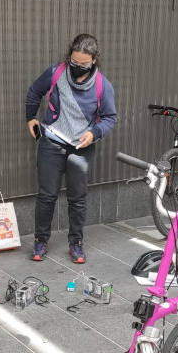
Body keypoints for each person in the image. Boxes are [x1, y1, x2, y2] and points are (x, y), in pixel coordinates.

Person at [25, 33, 117, 264]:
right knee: (47, 195)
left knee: (78, 198)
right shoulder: (56, 72)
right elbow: (35, 91)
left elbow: (109, 117)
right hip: (52, 141)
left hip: (81, 147)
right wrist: (30, 117)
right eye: (73, 62)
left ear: (94, 60)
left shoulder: (102, 86)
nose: (76, 67)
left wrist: (93, 133)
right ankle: (40, 241)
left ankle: (76, 243)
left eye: (83, 64)